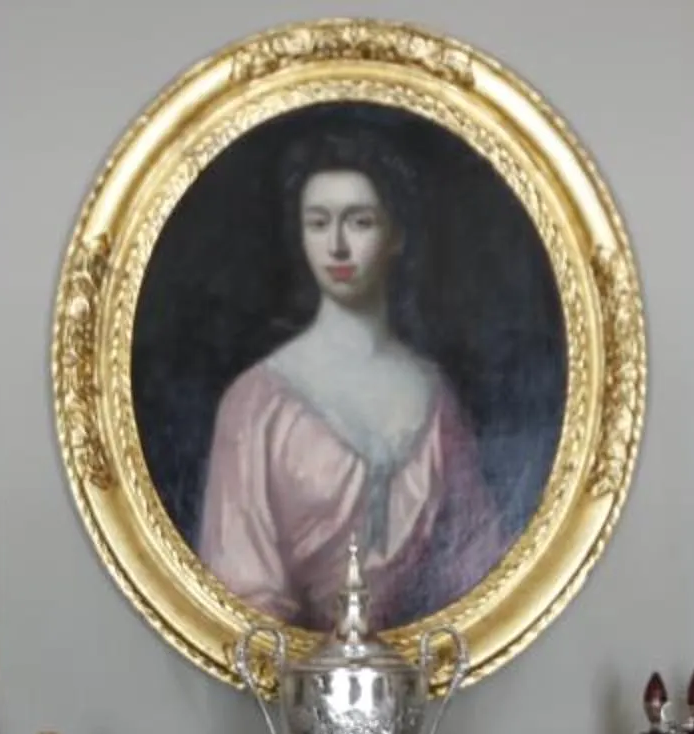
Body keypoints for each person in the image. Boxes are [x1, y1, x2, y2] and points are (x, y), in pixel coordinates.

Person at [195, 128, 506, 634]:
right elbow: (242, 592)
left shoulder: (434, 395)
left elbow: (474, 566)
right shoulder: (256, 403)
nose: (337, 246)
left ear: (395, 236)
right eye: (318, 223)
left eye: (359, 222)